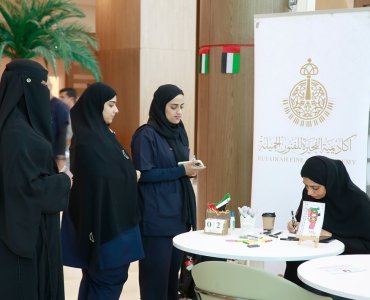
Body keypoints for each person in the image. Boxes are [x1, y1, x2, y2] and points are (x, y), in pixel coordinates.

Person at [61, 82, 144, 300]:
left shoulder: (99, 137)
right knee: (105, 285)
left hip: (110, 231)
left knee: (94, 284)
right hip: (107, 235)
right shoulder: (91, 143)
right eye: (111, 105)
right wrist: (131, 175)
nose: (116, 110)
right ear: (96, 106)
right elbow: (101, 182)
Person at [0, 59, 72, 299]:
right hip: (23, 242)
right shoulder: (17, 135)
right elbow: (26, 189)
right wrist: (64, 181)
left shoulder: (14, 127)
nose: (46, 90)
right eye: (42, 83)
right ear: (26, 84)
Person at [131, 84, 206, 300]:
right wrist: (181, 170)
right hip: (156, 220)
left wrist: (189, 171)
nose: (179, 112)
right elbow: (143, 175)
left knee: (173, 282)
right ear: (160, 106)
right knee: (155, 283)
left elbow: (177, 167)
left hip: (179, 217)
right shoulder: (146, 135)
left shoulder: (179, 131)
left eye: (181, 106)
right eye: (173, 107)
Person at [284, 155, 370, 292]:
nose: (309, 192)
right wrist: (295, 224)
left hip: (341, 268)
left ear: (330, 181)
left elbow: (366, 247)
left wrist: (331, 235)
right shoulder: (309, 193)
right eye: (306, 186)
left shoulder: (358, 202)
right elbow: (301, 220)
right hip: (309, 258)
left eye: (315, 188)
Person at [48, 82, 70, 170]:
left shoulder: (60, 106)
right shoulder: (38, 104)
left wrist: (61, 157)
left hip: (54, 154)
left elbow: (62, 132)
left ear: (50, 86)